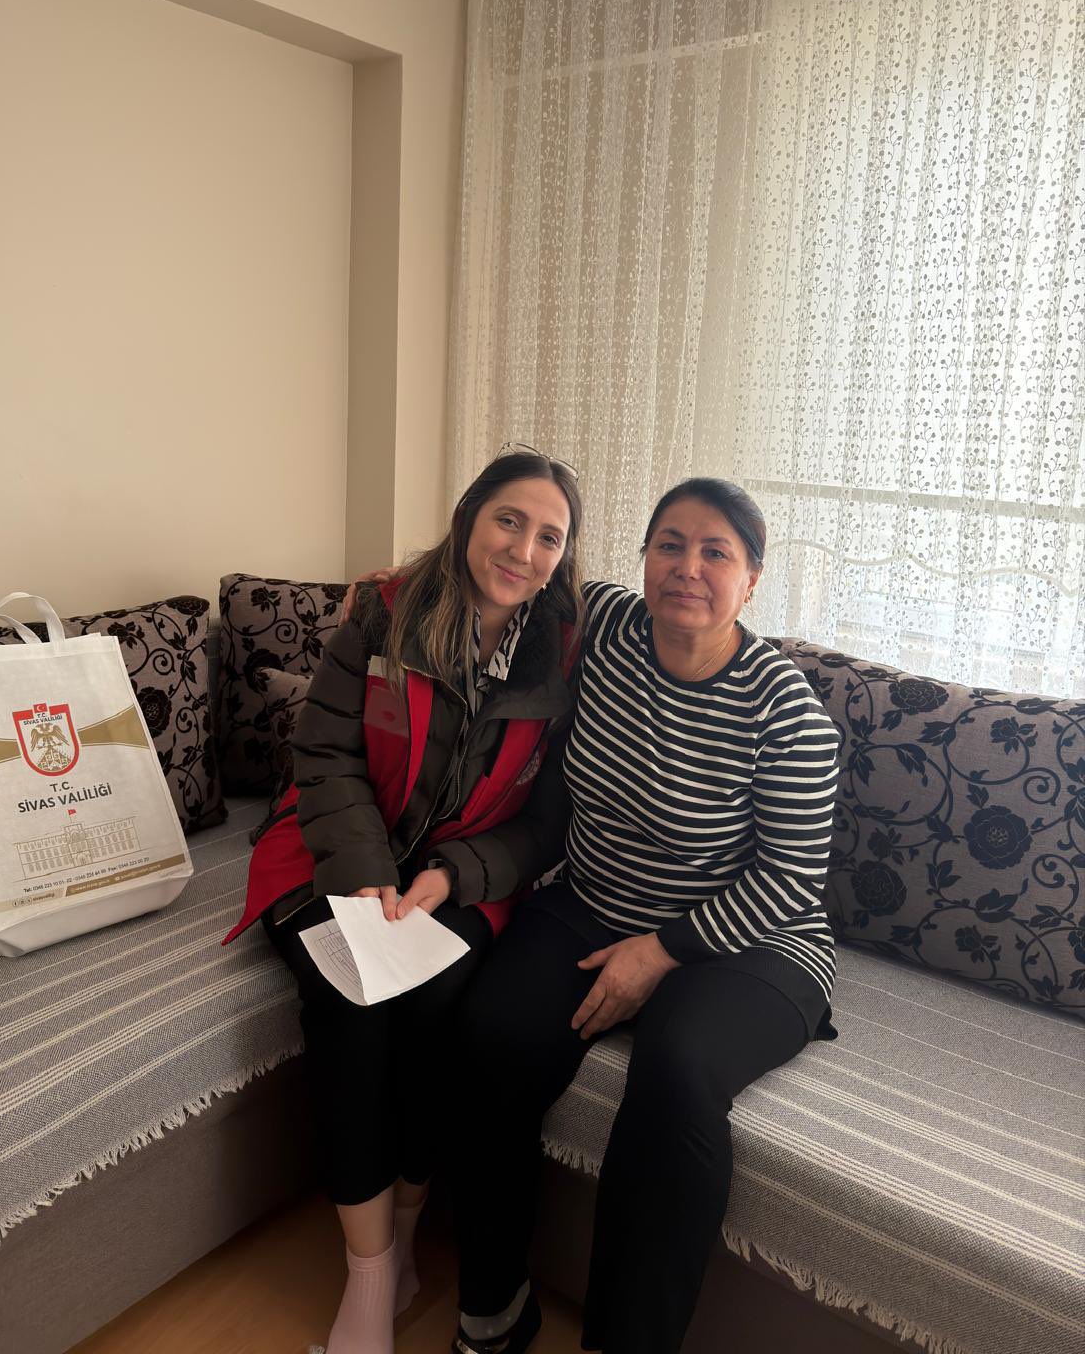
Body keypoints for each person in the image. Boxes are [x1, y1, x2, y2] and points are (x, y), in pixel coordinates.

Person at [399, 477, 840, 1354]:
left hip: (751, 943)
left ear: (752, 579)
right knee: (489, 1035)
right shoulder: (603, 624)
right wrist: (396, 589)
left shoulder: (786, 712)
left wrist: (663, 951)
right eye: (669, 544)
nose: (687, 567)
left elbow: (790, 878)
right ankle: (495, 1309)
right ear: (642, 559)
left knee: (677, 1072)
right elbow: (508, 573)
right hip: (595, 901)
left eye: (716, 552)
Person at [223, 447, 584, 1354]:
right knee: (348, 1000)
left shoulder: (564, 649)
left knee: (439, 1005)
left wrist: (455, 874)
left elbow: (547, 822)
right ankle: (369, 1276)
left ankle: (410, 1240)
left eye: (549, 537)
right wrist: (364, 868)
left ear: (563, 557)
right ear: (468, 519)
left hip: (464, 874)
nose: (524, 550)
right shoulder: (386, 611)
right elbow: (327, 751)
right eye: (509, 521)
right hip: (332, 850)